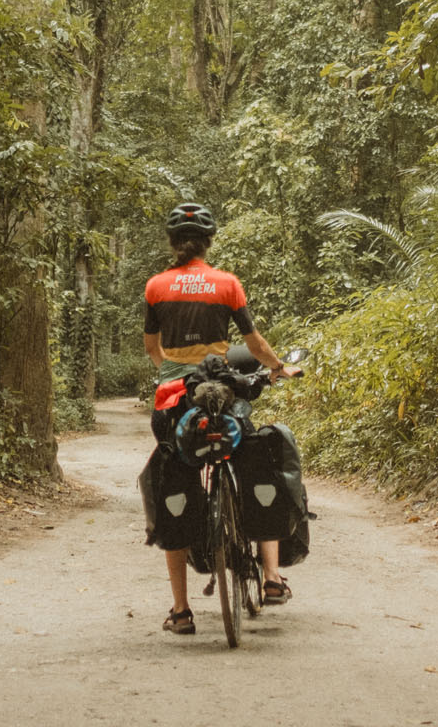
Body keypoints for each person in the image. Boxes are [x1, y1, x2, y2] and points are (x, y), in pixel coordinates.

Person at [143, 201, 296, 635]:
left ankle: (180, 610)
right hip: (224, 395)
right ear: (208, 243)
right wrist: (279, 366)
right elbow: (255, 342)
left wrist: (173, 372)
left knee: (174, 476)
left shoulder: (156, 286)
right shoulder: (226, 284)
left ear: (172, 244)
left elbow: (152, 348)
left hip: (175, 400)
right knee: (254, 462)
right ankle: (271, 578)